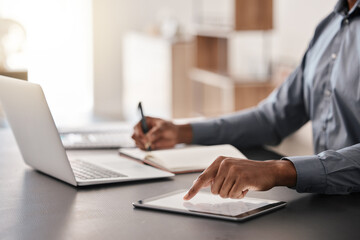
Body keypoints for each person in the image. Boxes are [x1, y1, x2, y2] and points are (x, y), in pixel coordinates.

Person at [132, 0, 360, 200]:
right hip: (324, 201)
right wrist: (182, 132)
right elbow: (272, 118)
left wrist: (280, 171)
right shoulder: (328, 28)